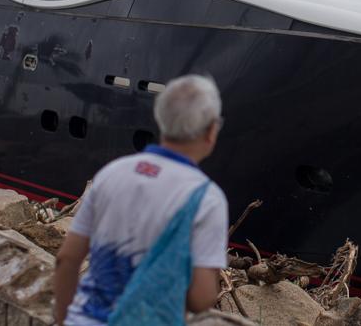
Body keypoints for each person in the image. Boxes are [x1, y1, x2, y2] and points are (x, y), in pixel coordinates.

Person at [53, 74, 229, 325]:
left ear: (161, 119)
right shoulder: (206, 198)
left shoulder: (112, 173)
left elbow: (66, 259)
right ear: (211, 131)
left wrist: (63, 320)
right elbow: (201, 298)